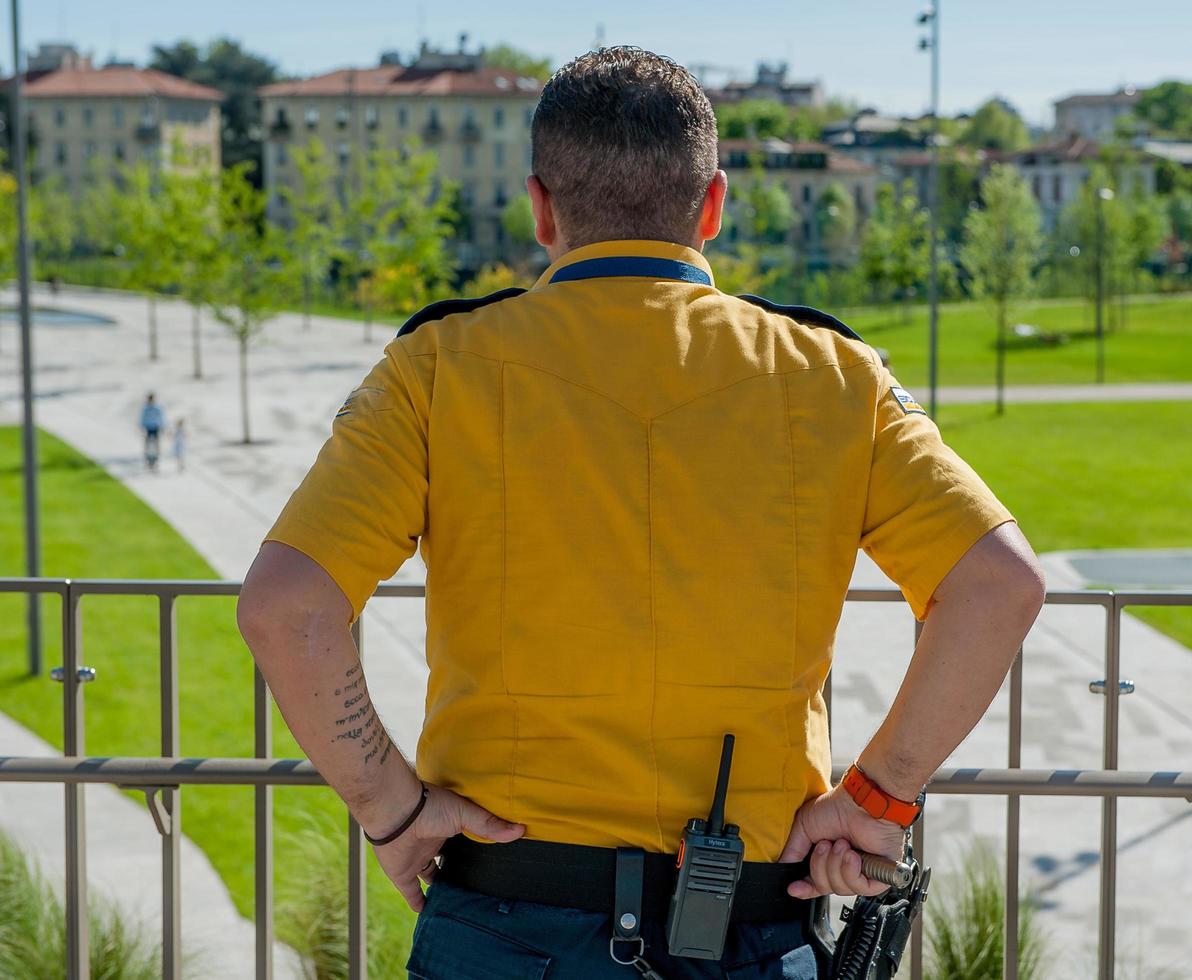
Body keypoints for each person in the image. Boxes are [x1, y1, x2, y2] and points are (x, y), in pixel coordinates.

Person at [237, 47, 1044, 979]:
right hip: (748, 922)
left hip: (505, 917)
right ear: (712, 206)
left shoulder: (438, 366)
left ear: (540, 208)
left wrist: (393, 809)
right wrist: (879, 794)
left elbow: (286, 608)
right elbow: (997, 585)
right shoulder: (829, 373)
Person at [139, 393, 164, 471]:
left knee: (156, 445)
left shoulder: (157, 408)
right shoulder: (145, 409)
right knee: (148, 445)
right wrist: (142, 427)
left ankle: (155, 461)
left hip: (155, 428)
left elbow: (161, 418)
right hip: (148, 428)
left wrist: (162, 426)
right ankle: (149, 461)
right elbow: (143, 418)